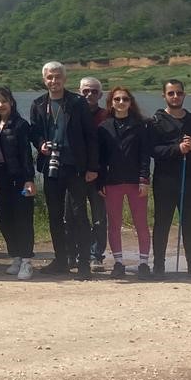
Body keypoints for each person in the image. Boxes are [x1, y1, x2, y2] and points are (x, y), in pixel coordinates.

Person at [29, 62, 99, 278]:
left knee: (79, 214)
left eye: (58, 77)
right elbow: (35, 132)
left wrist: (92, 167)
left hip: (75, 166)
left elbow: (91, 136)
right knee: (55, 215)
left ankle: (85, 263)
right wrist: (40, 143)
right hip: (52, 166)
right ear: (44, 79)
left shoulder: (77, 102)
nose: (54, 81)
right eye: (50, 77)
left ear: (64, 79)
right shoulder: (38, 103)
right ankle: (61, 260)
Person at [149, 80, 191, 278]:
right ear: (164, 96)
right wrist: (177, 149)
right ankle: (158, 265)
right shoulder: (156, 121)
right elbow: (152, 150)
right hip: (165, 180)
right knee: (162, 223)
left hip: (190, 180)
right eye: (171, 93)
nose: (175, 97)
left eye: (179, 93)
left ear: (184, 95)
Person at [97, 87, 151, 278]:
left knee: (141, 223)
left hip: (136, 181)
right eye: (117, 99)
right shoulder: (104, 127)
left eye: (125, 99)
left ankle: (143, 262)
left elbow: (145, 155)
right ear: (111, 102)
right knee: (114, 224)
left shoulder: (140, 126)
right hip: (112, 182)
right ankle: (118, 262)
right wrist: (100, 181)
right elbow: (101, 159)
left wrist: (144, 179)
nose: (121, 102)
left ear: (130, 102)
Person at [0, 87, 36, 279]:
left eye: (3, 101)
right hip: (0, 178)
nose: (0, 105)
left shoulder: (20, 125)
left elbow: (26, 154)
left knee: (22, 219)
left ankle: (26, 261)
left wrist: (29, 180)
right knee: (4, 219)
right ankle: (15, 256)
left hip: (19, 178)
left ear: (11, 101)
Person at [78, 77, 110, 270]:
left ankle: (96, 255)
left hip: (99, 175)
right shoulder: (72, 114)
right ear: (79, 92)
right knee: (74, 216)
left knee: (99, 217)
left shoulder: (106, 116)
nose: (90, 94)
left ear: (101, 94)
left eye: (94, 91)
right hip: (75, 174)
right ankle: (75, 253)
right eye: (86, 91)